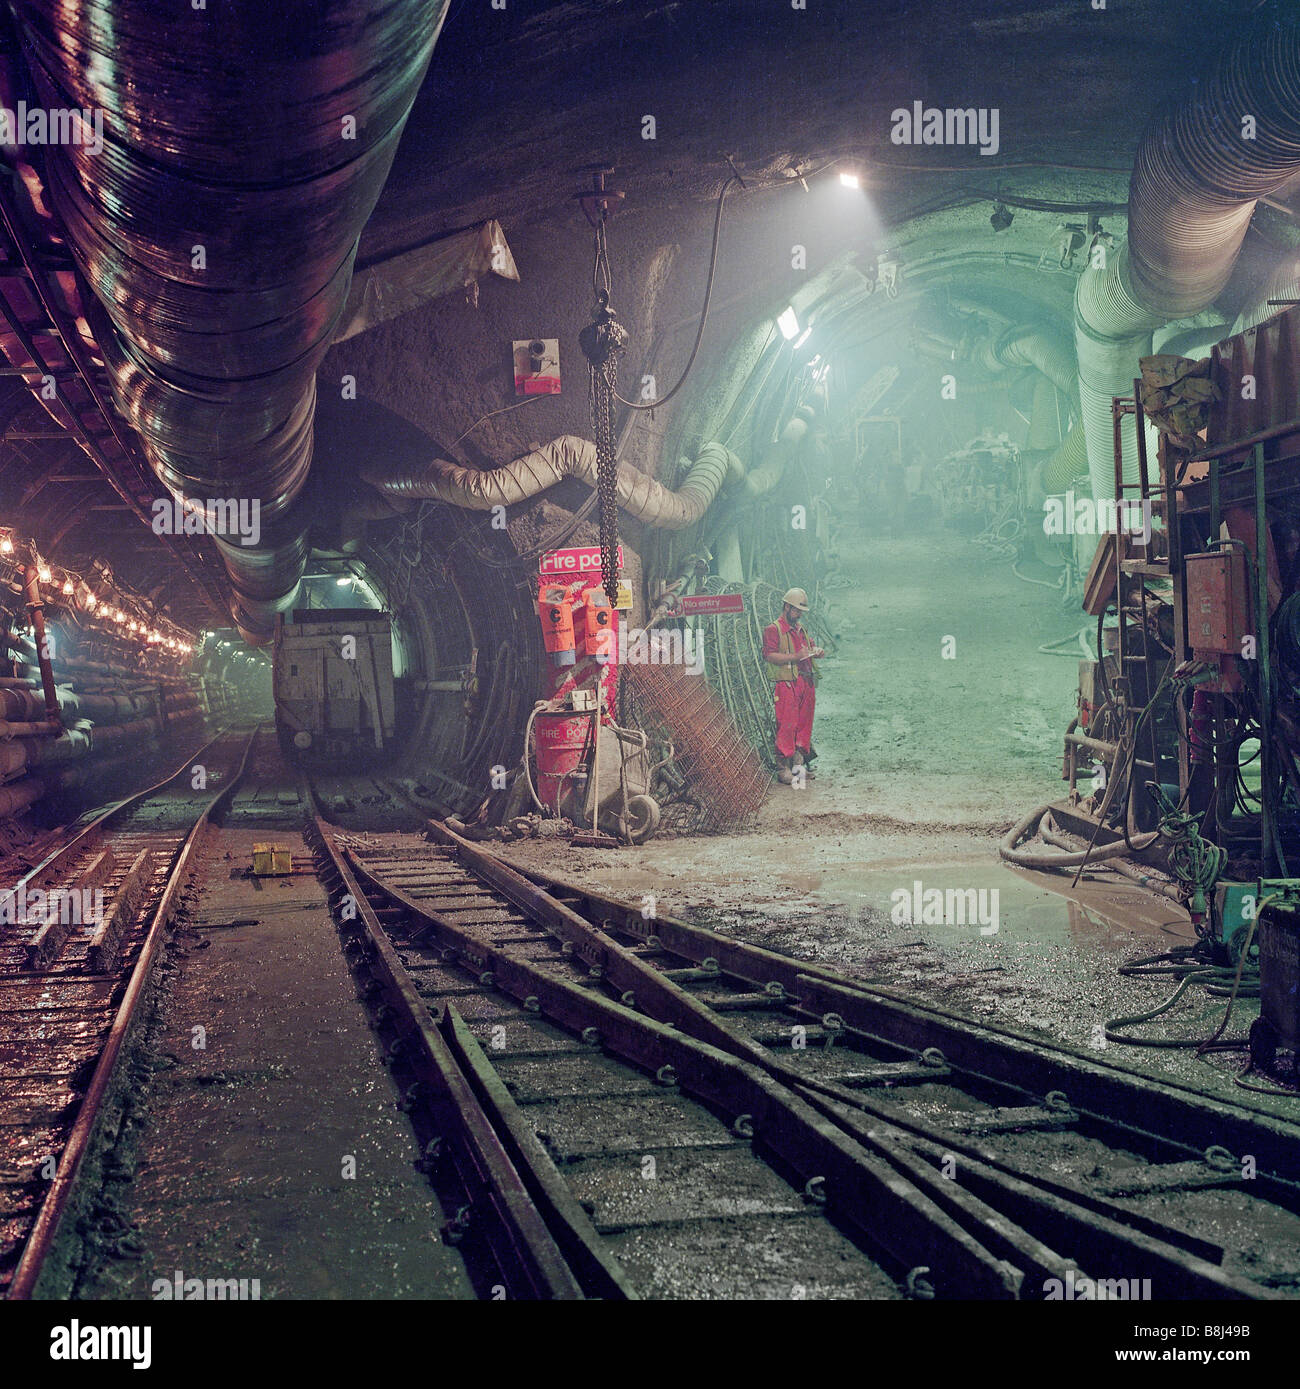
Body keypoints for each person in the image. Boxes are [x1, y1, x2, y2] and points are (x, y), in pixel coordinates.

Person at [762, 588, 824, 785]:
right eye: (797, 611)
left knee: (803, 727)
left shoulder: (800, 629)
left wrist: (817, 652)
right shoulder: (774, 629)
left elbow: (809, 647)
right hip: (786, 684)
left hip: (805, 682)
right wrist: (795, 657)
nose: (799, 615)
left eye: (801, 612)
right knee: (786, 726)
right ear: (787, 607)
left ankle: (798, 767)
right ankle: (783, 768)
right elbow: (770, 655)